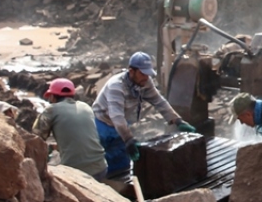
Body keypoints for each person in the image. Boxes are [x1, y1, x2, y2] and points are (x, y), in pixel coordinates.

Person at [92, 51, 195, 179]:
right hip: (102, 123)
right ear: (131, 71)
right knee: (99, 162)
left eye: (148, 73)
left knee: (121, 163)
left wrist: (177, 120)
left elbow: (159, 101)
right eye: (142, 73)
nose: (146, 77)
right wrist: (129, 139)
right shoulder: (116, 86)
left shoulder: (145, 82)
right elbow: (116, 116)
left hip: (122, 123)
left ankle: (118, 189)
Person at [34, 78, 108, 180]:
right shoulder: (86, 107)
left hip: (75, 173)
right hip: (101, 169)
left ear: (52, 96)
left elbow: (36, 138)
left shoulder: (51, 110)